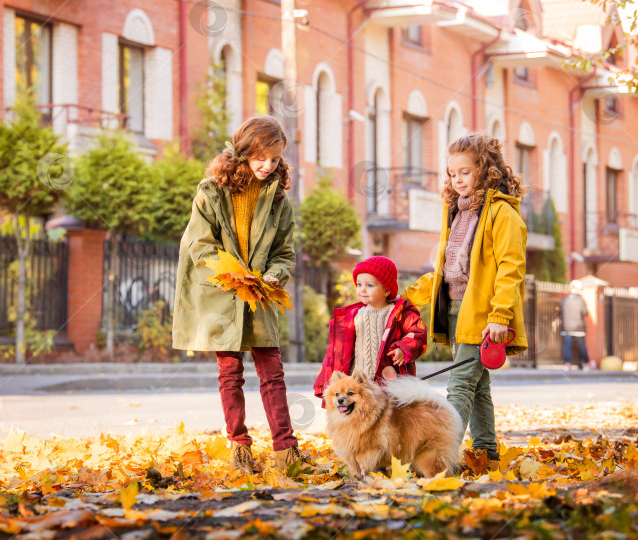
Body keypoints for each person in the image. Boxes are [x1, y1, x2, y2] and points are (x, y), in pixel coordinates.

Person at [172, 115, 305, 473]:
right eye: (261, 157)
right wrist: (234, 274)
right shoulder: (211, 192)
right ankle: (240, 447)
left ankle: (286, 451)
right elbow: (199, 245)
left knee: (272, 372)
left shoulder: (279, 200)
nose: (268, 165)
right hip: (223, 293)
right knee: (230, 373)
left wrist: (275, 275)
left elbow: (284, 252)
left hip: (260, 294)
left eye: (275, 159)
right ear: (244, 152)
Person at [403, 133, 528, 469]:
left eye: (465, 172)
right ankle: (486, 454)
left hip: (484, 315)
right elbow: (446, 271)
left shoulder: (504, 215)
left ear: (485, 171)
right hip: (458, 312)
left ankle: (439, 460)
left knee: (459, 385)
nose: (457, 179)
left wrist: (500, 316)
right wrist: (404, 297)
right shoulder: (456, 213)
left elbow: (510, 271)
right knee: (478, 386)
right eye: (452, 173)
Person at [313, 256, 427, 403]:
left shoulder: (400, 313)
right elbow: (338, 351)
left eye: (369, 285)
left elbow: (417, 333)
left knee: (389, 415)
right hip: (356, 381)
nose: (362, 290)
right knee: (357, 415)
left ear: (386, 290)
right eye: (359, 285)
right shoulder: (351, 315)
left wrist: (403, 349)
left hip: (387, 380)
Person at [557, 280, 590, 371]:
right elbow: (585, 312)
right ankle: (585, 364)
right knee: (581, 346)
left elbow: (560, 312)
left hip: (566, 326)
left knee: (567, 346)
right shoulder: (580, 300)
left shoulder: (564, 299)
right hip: (578, 327)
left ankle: (567, 364)